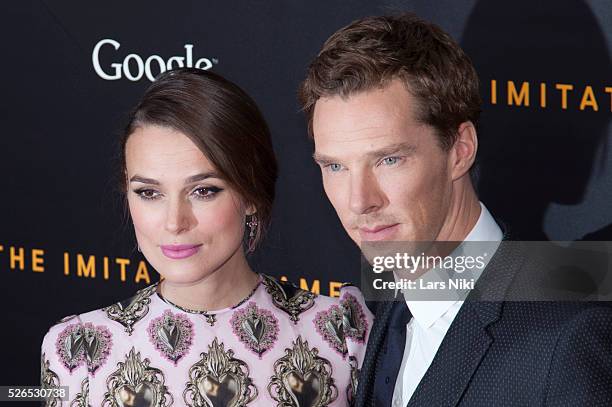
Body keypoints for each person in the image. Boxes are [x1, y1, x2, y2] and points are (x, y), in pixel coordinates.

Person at [299, 13, 612, 406]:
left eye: (389, 160)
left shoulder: (567, 335)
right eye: (335, 166)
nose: (360, 200)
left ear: (460, 150)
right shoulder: (383, 310)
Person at [40, 68, 372, 406]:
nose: (174, 222)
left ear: (251, 195)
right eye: (149, 193)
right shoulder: (76, 349)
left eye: (203, 190)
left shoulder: (341, 331)